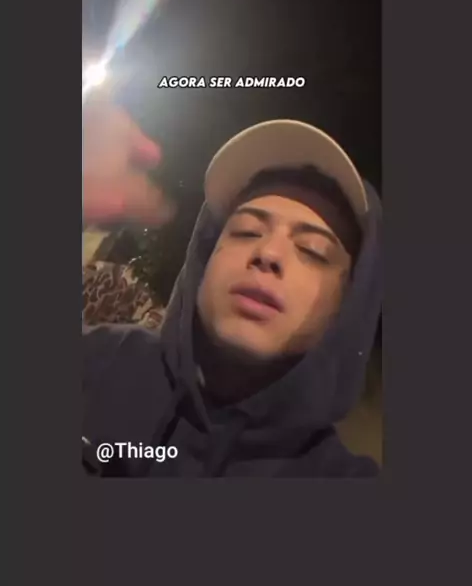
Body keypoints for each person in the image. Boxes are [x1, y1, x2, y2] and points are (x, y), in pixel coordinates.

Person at [82, 97, 382, 477]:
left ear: (349, 302)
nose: (268, 253)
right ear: (204, 258)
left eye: (312, 250)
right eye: (246, 231)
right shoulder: (99, 362)